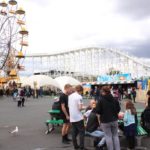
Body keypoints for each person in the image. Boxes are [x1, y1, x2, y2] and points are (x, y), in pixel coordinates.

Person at [96, 86, 121, 150]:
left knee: (108, 136)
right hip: (114, 120)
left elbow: (98, 111)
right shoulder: (115, 99)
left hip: (105, 121)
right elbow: (118, 109)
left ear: (103, 92)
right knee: (115, 136)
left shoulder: (100, 100)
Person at [68, 85, 87, 150]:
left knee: (74, 132)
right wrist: (85, 107)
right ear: (81, 91)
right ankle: (82, 147)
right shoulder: (79, 97)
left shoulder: (70, 96)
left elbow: (69, 106)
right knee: (82, 132)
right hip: (78, 117)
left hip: (72, 117)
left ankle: (75, 146)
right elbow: (80, 108)